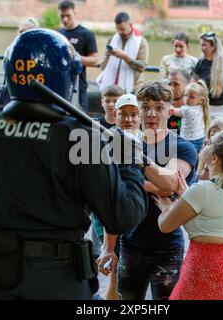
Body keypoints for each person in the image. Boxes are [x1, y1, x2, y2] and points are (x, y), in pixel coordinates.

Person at [0, 29, 148, 300]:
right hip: (54, 276)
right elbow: (122, 216)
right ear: (67, 77)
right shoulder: (82, 136)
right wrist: (128, 159)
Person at [99, 81, 197, 300]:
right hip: (130, 243)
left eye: (159, 107)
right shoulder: (123, 145)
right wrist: (108, 247)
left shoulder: (182, 147)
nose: (151, 113)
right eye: (145, 107)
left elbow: (171, 182)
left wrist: (135, 171)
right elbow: (114, 199)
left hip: (167, 247)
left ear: (170, 112)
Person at [155, 130, 223, 300]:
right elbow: (217, 215)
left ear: (215, 158)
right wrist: (186, 196)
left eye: (211, 142)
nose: (206, 142)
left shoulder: (202, 190)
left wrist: (165, 207)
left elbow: (165, 225)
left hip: (209, 270)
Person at [97, 93, 141, 300]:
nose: (129, 119)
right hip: (110, 220)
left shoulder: (146, 140)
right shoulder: (107, 140)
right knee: (116, 276)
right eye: (123, 114)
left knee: (123, 278)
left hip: (135, 217)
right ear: (115, 115)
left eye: (134, 114)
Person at [194, 32, 223, 128]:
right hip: (207, 107)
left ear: (213, 46)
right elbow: (194, 84)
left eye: (204, 45)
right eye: (201, 45)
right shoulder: (200, 63)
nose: (201, 48)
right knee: (208, 134)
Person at [58, 0, 98, 112]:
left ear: (75, 13)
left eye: (68, 16)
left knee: (79, 122)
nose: (65, 19)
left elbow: (94, 60)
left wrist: (75, 56)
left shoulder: (86, 34)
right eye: (62, 16)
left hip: (79, 86)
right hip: (61, 85)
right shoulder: (59, 34)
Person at [97, 12, 149, 94]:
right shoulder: (112, 40)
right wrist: (107, 56)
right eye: (117, 29)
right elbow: (102, 67)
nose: (120, 32)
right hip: (111, 89)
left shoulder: (141, 42)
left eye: (122, 29)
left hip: (133, 88)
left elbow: (142, 67)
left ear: (130, 25)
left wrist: (124, 57)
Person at [170, 80, 210, 154]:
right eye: (185, 95)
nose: (187, 98)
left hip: (188, 140)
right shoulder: (201, 107)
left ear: (201, 100)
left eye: (191, 97)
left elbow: (172, 111)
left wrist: (166, 103)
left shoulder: (186, 110)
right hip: (201, 138)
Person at [167, 69, 191, 135]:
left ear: (187, 86)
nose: (171, 88)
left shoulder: (194, 111)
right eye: (169, 84)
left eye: (176, 84)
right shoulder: (163, 109)